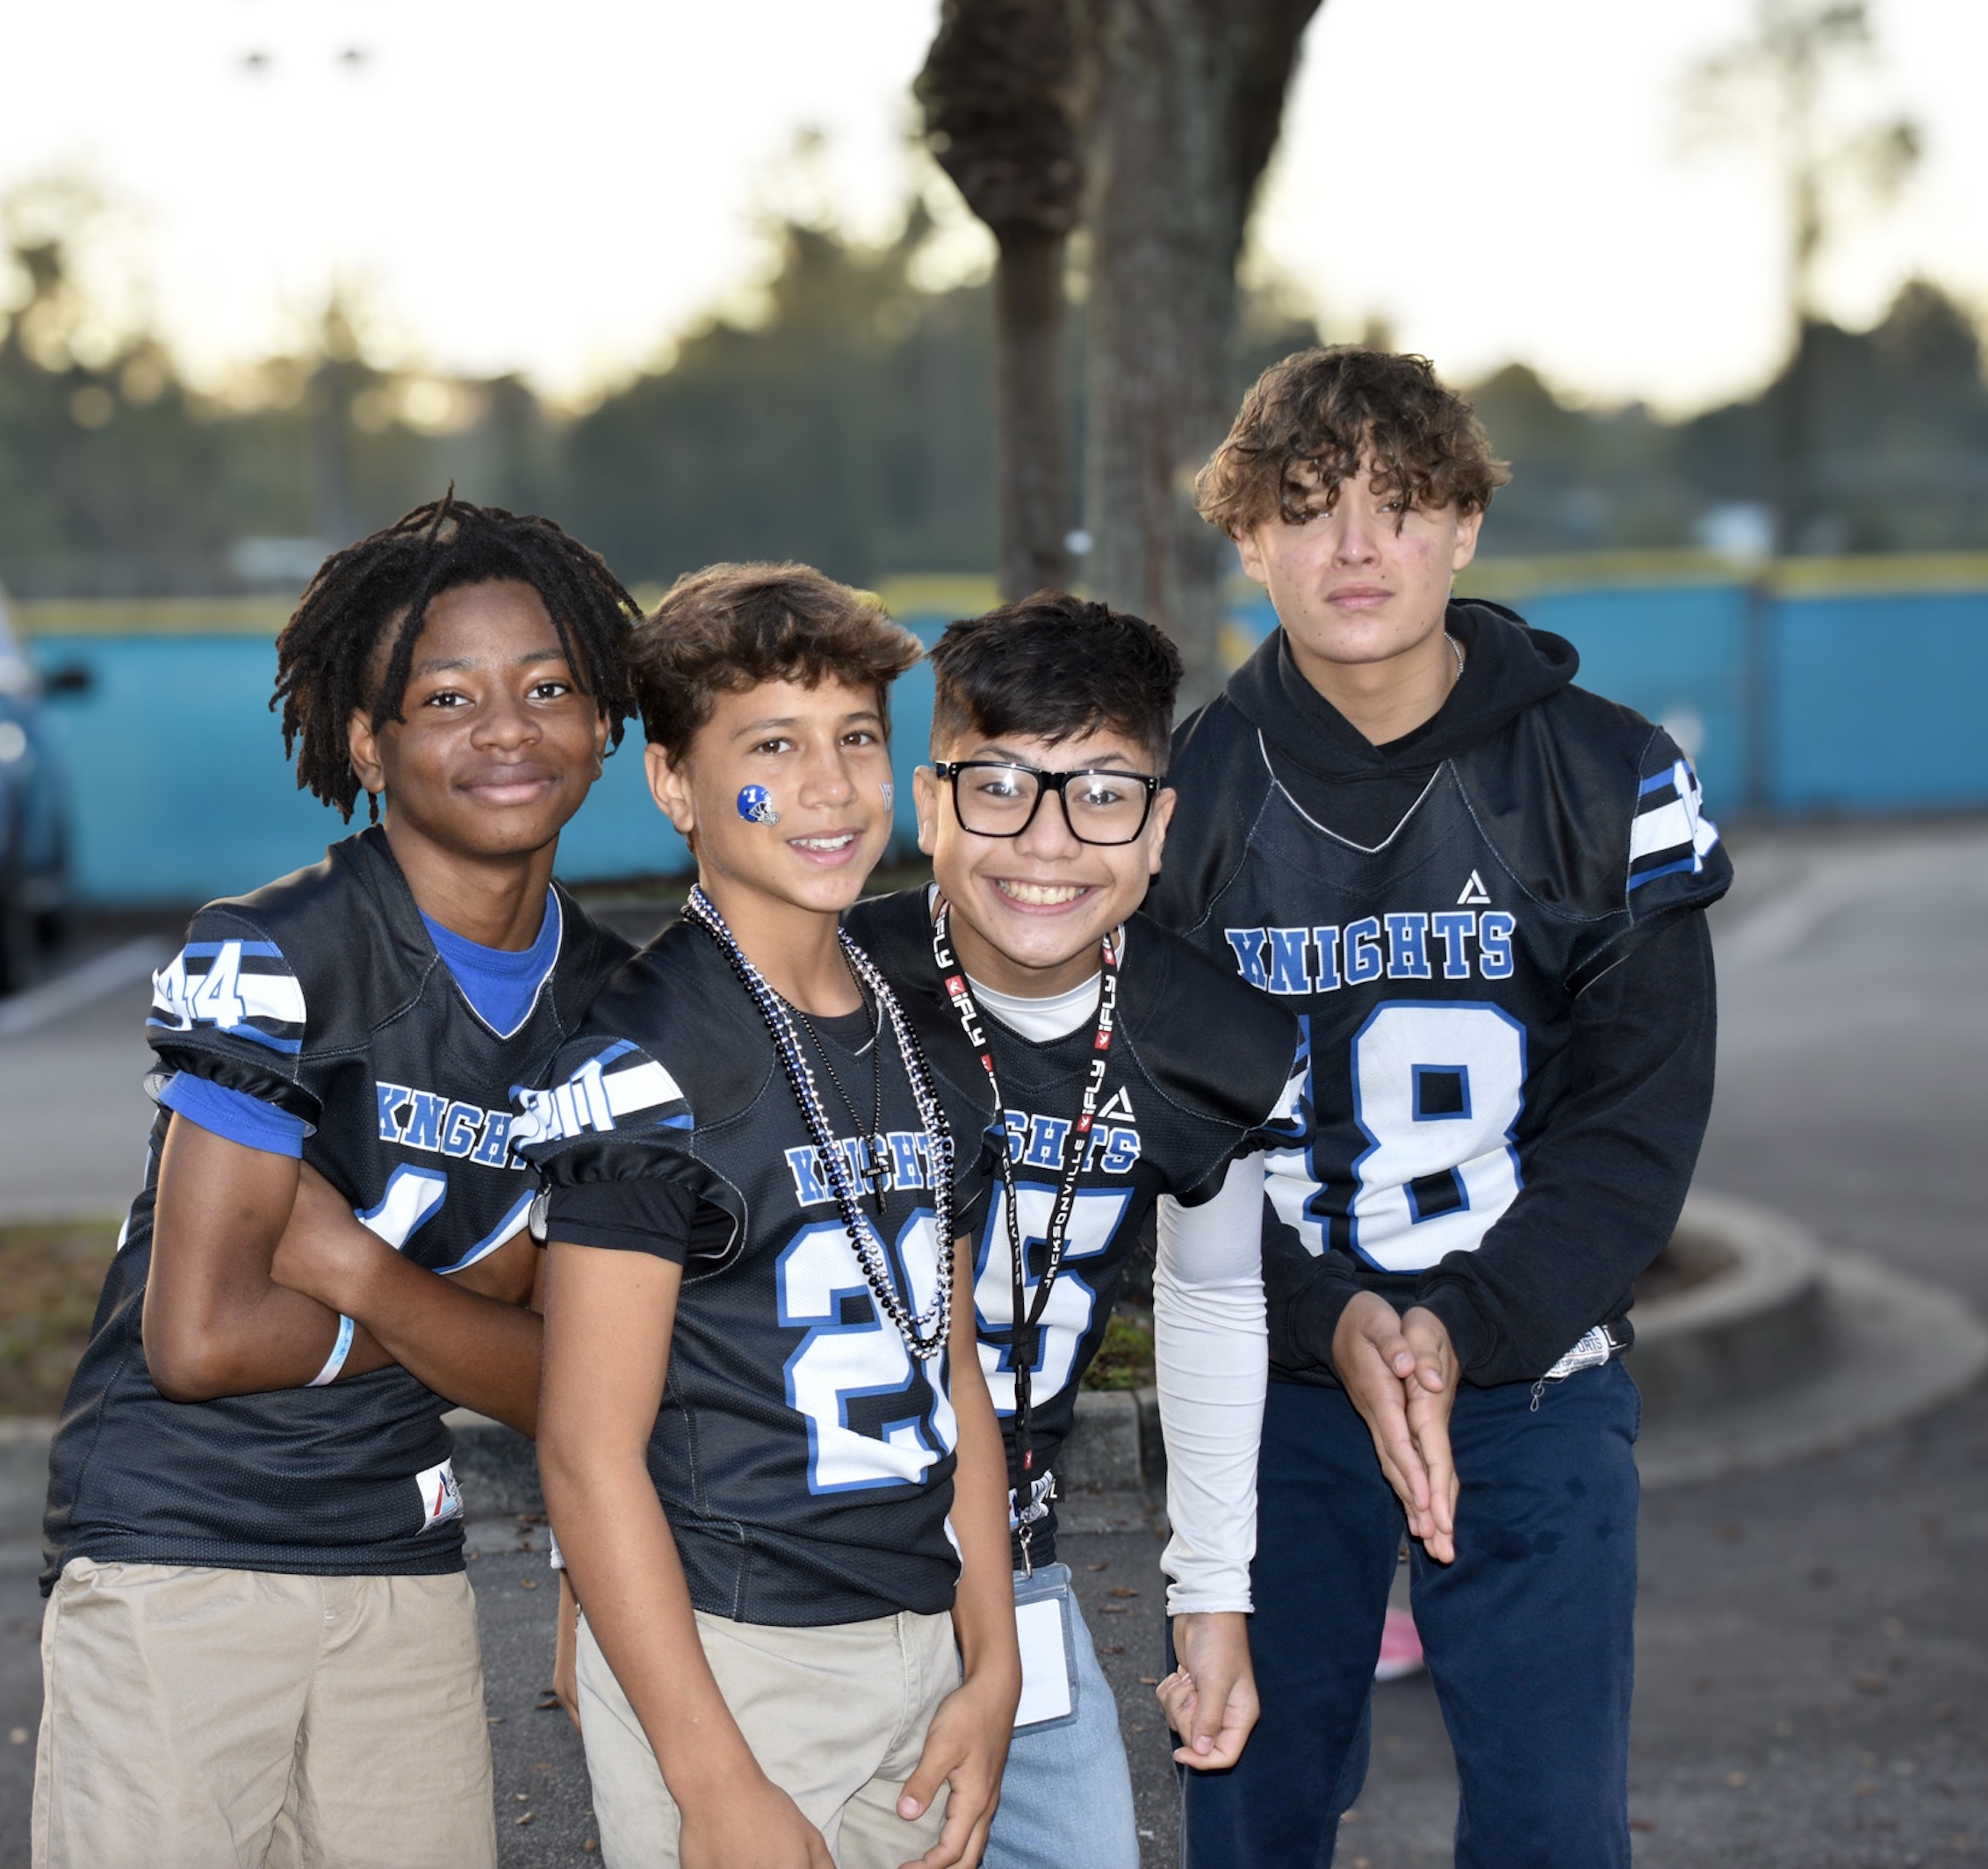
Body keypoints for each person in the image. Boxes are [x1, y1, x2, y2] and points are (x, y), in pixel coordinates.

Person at [1149, 346, 1729, 1868]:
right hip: (1268, 1376)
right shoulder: (1175, 803)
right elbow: (1165, 1140)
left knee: (1550, 1830)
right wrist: (1329, 1313)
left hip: (1533, 1366)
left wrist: (1463, 1322)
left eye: (1398, 505)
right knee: (1254, 1811)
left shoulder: (1602, 776)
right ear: (1245, 536)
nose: (1354, 546)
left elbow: (1635, 1121)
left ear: (1464, 526)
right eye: (1306, 506)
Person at [33, 495, 641, 1869]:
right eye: (445, 698)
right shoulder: (273, 954)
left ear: (605, 724)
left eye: (549, 687)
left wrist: (361, 1267)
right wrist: (465, 1312)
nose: (506, 729)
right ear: (367, 744)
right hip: (182, 1550)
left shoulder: (620, 1008)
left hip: (397, 1553)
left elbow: (575, 1382)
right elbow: (199, 1341)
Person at [528, 563, 1019, 1869]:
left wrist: (994, 1663)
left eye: (856, 739)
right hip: (738, 1658)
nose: (826, 786)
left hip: (921, 1635)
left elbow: (954, 1371)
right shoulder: (640, 1061)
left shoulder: (922, 1023)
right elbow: (585, 1450)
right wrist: (713, 1782)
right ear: (677, 784)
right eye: (772, 747)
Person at [842, 591, 1305, 1869]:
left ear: (1160, 827)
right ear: (927, 805)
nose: (1044, 843)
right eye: (998, 787)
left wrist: (1211, 1594)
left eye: (1100, 794)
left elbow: (1211, 1303)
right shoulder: (821, 989)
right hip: (794, 1574)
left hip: (1019, 1574)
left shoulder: (1210, 1040)